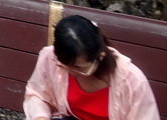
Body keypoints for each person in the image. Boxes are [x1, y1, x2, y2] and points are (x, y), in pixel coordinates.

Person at [24, 14, 159, 120]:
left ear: (100, 56)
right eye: (65, 66)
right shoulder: (50, 57)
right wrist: (40, 116)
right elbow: (37, 94)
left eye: (80, 68)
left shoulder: (132, 82)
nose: (72, 73)